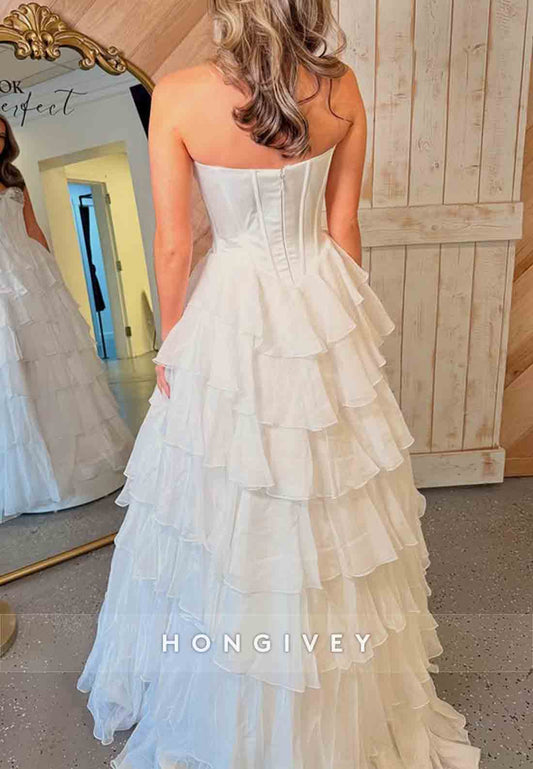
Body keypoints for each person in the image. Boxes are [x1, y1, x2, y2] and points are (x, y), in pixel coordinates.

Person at [77, 1, 481, 767]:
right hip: (318, 293)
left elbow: (173, 244)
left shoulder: (179, 93)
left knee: (224, 490)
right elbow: (341, 227)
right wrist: (343, 326)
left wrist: (173, 347)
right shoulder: (339, 85)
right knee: (324, 492)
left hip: (229, 305)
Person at [0, 116, 133, 522]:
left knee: (55, 366)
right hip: (3, 280)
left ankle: (75, 460)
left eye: (1, 135)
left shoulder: (14, 178)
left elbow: (33, 229)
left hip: (31, 271)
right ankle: (31, 473)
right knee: (15, 369)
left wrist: (52, 275)